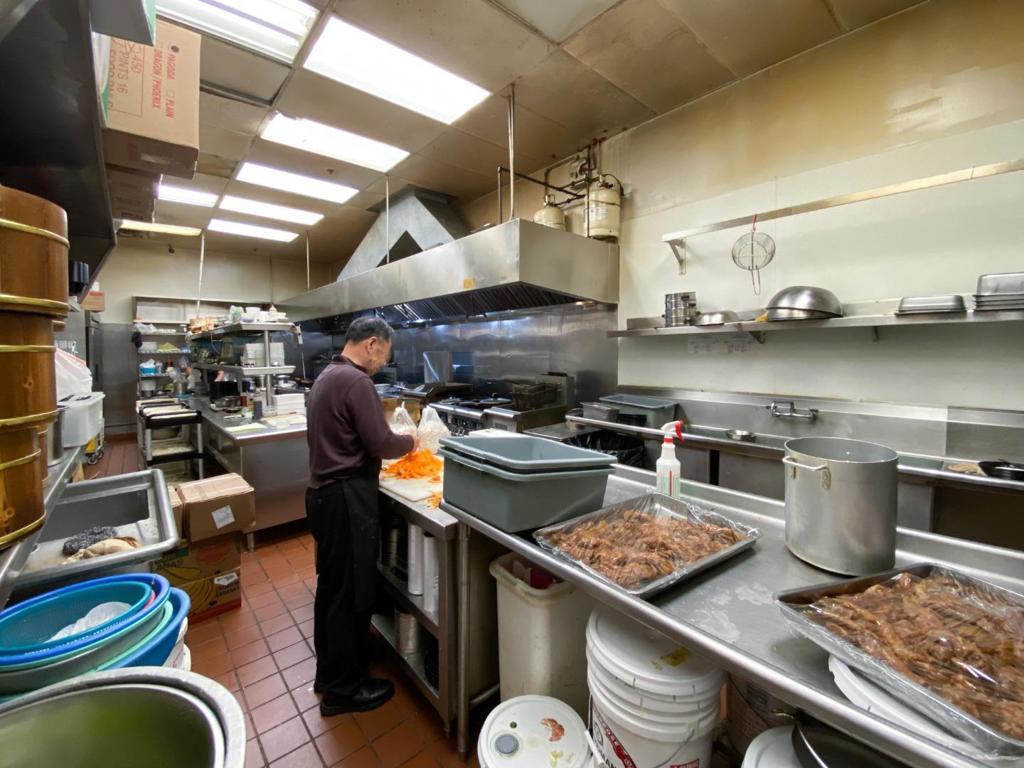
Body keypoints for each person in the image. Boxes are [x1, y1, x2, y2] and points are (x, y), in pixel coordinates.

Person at [305, 316, 419, 716]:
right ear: (371, 343)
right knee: (350, 595)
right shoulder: (356, 382)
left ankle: (329, 674)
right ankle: (344, 691)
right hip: (345, 498)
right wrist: (411, 441)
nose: (383, 363)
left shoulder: (327, 376)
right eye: (384, 354)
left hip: (323, 496)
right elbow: (380, 442)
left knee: (331, 591)